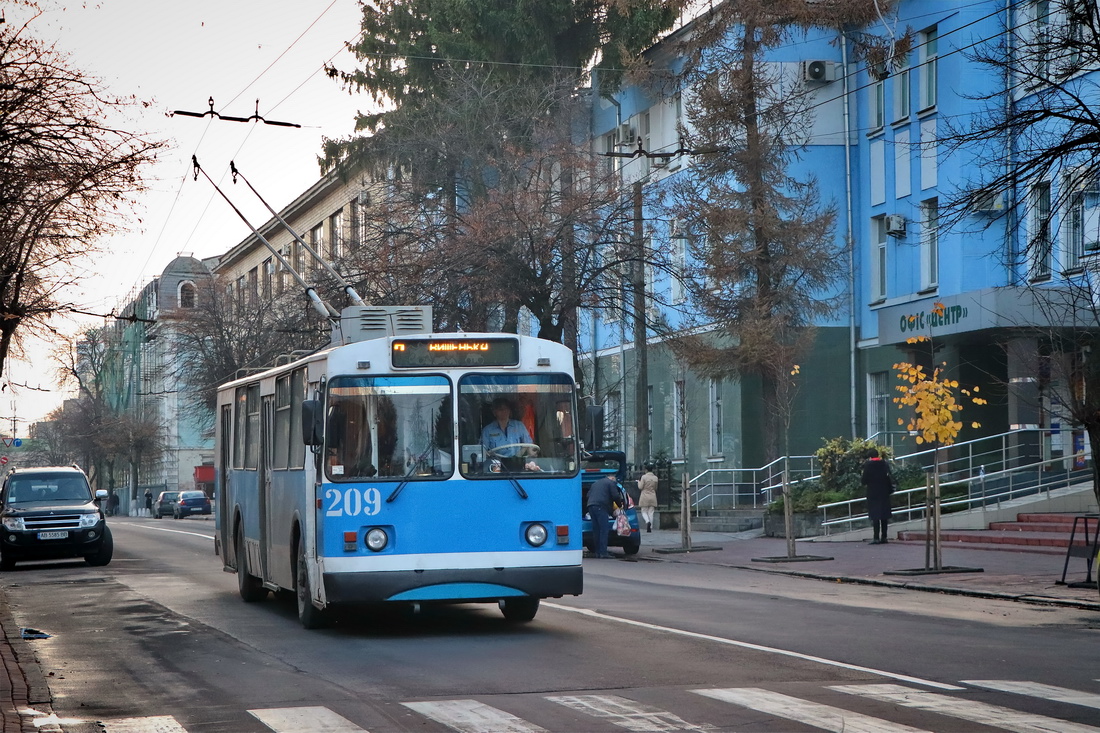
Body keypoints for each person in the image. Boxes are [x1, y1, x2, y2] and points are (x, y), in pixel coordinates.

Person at [481, 397, 539, 471]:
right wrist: (491, 464)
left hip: (518, 464)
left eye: (506, 409)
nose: (504, 411)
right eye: (500, 409)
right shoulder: (487, 430)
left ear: (510, 411)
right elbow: (482, 451)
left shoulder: (519, 426)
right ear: (494, 412)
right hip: (497, 466)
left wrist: (531, 460)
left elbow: (529, 445)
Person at [860, 449, 895, 544]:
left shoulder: (868, 465)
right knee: (884, 515)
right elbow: (889, 477)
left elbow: (864, 480)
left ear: (870, 457)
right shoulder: (884, 464)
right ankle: (884, 537)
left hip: (873, 493)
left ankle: (876, 537)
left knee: (875, 515)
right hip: (884, 492)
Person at [586, 472, 619, 559]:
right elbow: (615, 496)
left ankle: (597, 552)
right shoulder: (610, 483)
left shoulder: (595, 483)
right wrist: (619, 506)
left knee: (596, 530)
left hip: (591, 506)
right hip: (601, 507)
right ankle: (603, 552)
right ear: (612, 478)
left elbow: (588, 495)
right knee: (604, 530)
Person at [638, 462, 658, 533]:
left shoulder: (644, 477)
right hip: (652, 495)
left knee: (644, 511)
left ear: (646, 470)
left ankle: (647, 521)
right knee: (651, 512)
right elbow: (655, 488)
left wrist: (638, 482)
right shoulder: (655, 478)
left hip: (645, 495)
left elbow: (640, 487)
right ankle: (650, 527)